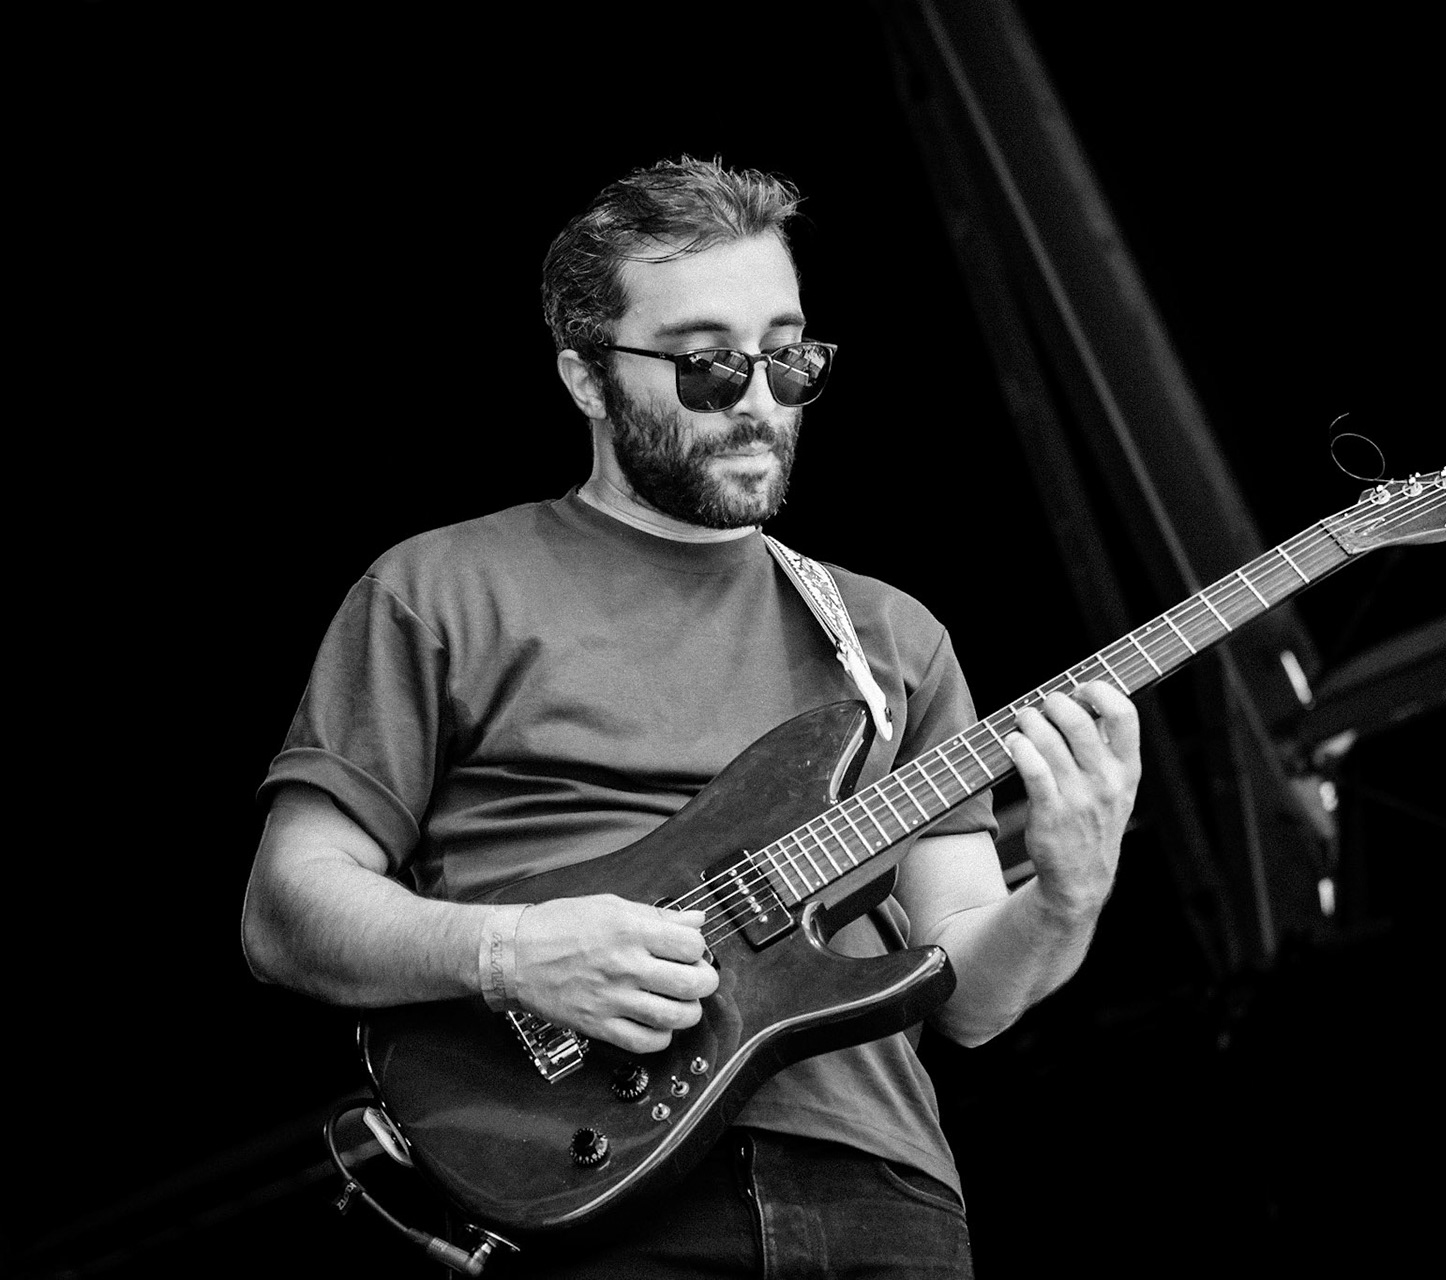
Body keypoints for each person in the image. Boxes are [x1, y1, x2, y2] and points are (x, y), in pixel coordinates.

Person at [241, 156, 1141, 1278]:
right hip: (588, 1181)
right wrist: (510, 951)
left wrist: (1067, 892)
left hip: (883, 1200)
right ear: (585, 376)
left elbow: (972, 997)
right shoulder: (440, 588)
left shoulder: (888, 636)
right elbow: (286, 911)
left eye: (790, 356)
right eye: (711, 365)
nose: (760, 401)